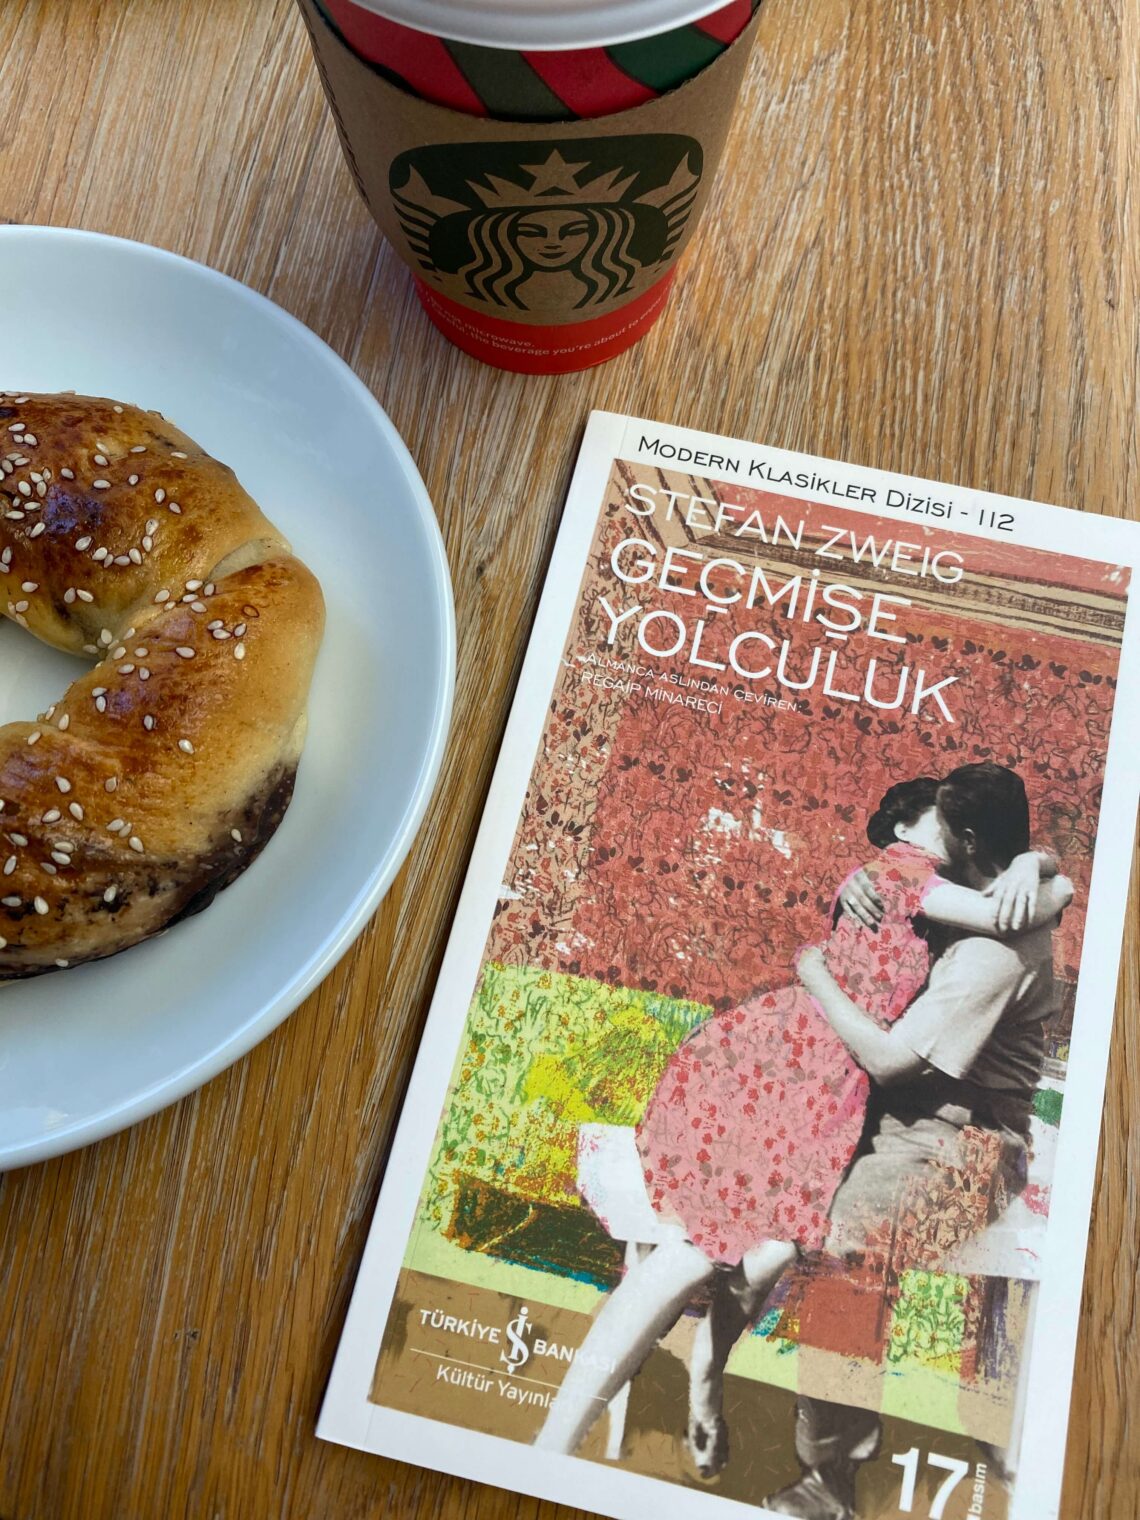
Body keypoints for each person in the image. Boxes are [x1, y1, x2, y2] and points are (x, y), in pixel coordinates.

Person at [534, 769, 1071, 1468]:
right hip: (791, 1071)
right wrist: (1046, 880)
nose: (946, 828)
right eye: (933, 814)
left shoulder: (934, 890)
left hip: (824, 1083)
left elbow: (1015, 906)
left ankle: (702, 1376)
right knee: (694, 1253)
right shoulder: (905, 875)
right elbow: (1011, 916)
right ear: (903, 831)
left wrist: (1038, 865)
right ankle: (558, 1440)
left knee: (775, 1247)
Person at [758, 761, 1066, 1519]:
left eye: (939, 829)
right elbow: (1031, 879)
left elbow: (894, 1063)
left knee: (852, 1244)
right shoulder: (989, 894)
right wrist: (1035, 863)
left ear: (968, 839)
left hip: (960, 1138)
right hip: (890, 1114)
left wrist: (815, 974)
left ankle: (829, 1475)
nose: (923, 842)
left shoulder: (997, 949)